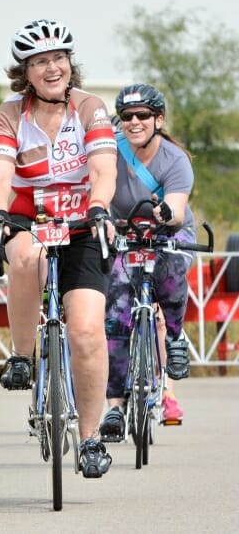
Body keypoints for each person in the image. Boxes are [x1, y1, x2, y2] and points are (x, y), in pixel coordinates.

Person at [0, 18, 118, 478]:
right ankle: (22, 356)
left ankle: (91, 438)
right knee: (25, 255)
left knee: (85, 333)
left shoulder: (91, 107)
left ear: (70, 63)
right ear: (26, 71)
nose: (53, 67)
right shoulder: (9, 115)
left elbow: (103, 169)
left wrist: (99, 205)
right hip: (30, 217)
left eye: (59, 58)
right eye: (41, 61)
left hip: (83, 221)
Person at [99, 84, 195, 440]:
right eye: (126, 117)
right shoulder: (111, 151)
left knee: (169, 271)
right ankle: (114, 407)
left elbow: (177, 210)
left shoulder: (175, 159)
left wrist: (164, 211)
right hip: (124, 233)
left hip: (169, 232)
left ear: (159, 119)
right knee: (116, 309)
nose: (134, 122)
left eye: (142, 116)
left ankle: (174, 339)